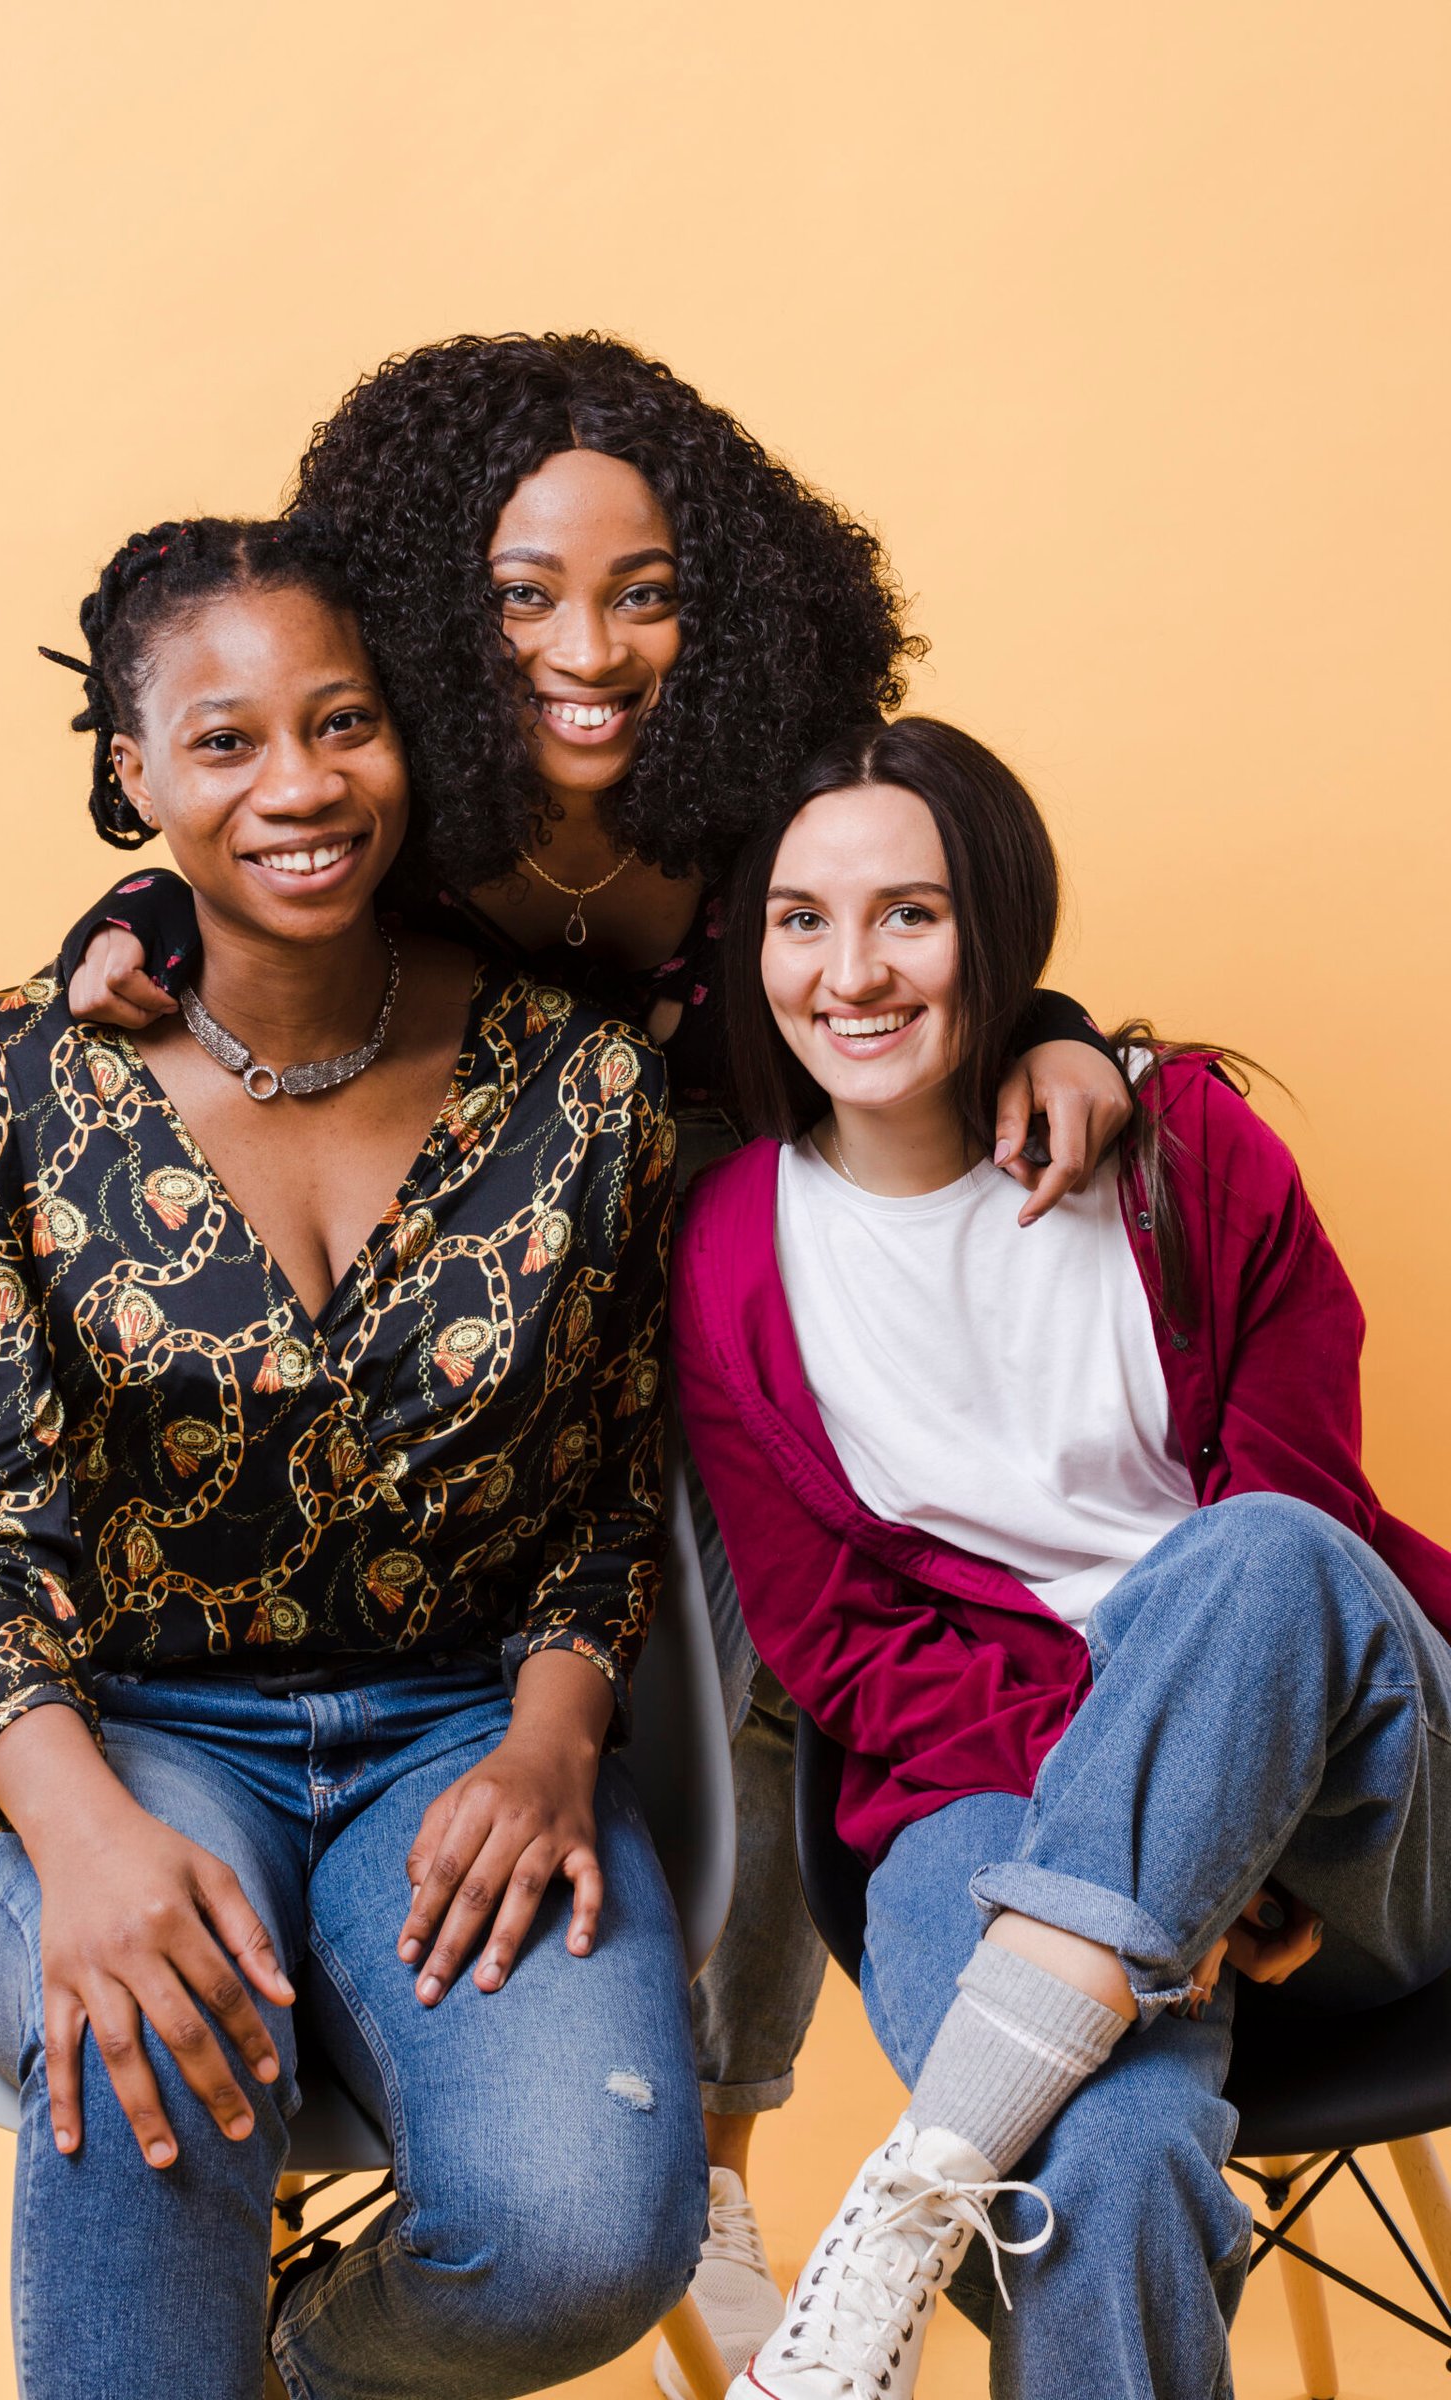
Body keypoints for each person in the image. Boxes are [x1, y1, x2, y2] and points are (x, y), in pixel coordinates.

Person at [49, 331, 1136, 2397]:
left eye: (643, 591)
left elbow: (907, 919)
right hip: (488, 1321)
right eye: (524, 593)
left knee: (787, 1681)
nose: (590, 646)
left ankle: (716, 2163)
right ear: (437, 610)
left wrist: (1060, 1022)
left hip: (740, 1265)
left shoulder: (760, 788)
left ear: (719, 604)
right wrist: (139, 918)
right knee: (618, 1668)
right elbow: (248, 859)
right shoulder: (397, 784)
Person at [0, 515, 707, 2400]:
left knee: (585, 2235)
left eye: (342, 724)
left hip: (452, 1734)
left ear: (410, 735)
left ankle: (298, 2378)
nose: (300, 787)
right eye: (228, 740)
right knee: (155, 2049)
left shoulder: (584, 1089)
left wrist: (551, 1739)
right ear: (135, 772)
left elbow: (602, 1499)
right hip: (117, 1730)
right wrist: (87, 1842)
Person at [669, 714, 1451, 2400]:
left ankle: (910, 2191)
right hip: (991, 1814)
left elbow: (1308, 1509)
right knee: (1102, 2166)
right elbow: (849, 1652)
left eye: (911, 915)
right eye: (803, 920)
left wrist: (1228, 1817)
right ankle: (933, 2206)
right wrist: (1161, 1835)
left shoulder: (1187, 1150)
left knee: (1254, 1553)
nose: (851, 972)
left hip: (1361, 1824)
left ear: (997, 931)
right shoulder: (733, 1259)